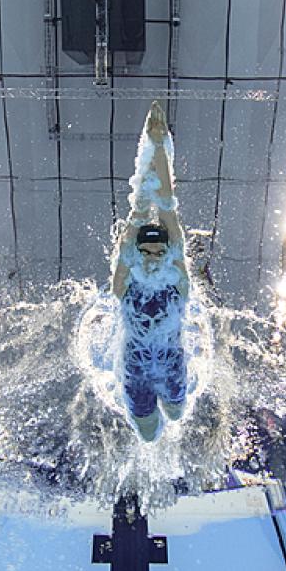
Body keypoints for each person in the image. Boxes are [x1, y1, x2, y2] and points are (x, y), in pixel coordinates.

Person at [110, 102, 191, 442]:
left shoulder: (178, 279)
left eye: (160, 251)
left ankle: (173, 408)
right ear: (137, 252)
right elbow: (139, 213)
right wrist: (154, 149)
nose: (154, 258)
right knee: (147, 436)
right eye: (147, 251)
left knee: (176, 412)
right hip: (136, 374)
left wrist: (159, 150)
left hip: (172, 368)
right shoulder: (124, 282)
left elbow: (169, 212)